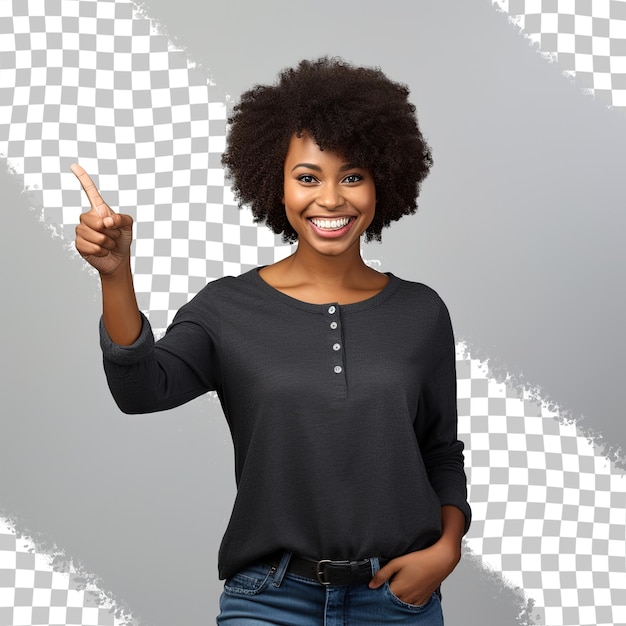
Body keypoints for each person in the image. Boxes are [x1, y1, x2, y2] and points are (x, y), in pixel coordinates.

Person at [72, 57, 470, 625]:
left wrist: (447, 549)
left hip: (396, 601)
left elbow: (440, 453)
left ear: (384, 179)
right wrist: (116, 274)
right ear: (274, 185)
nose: (330, 199)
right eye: (307, 177)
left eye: (352, 176)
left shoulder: (421, 312)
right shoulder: (229, 308)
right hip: (272, 600)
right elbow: (141, 390)